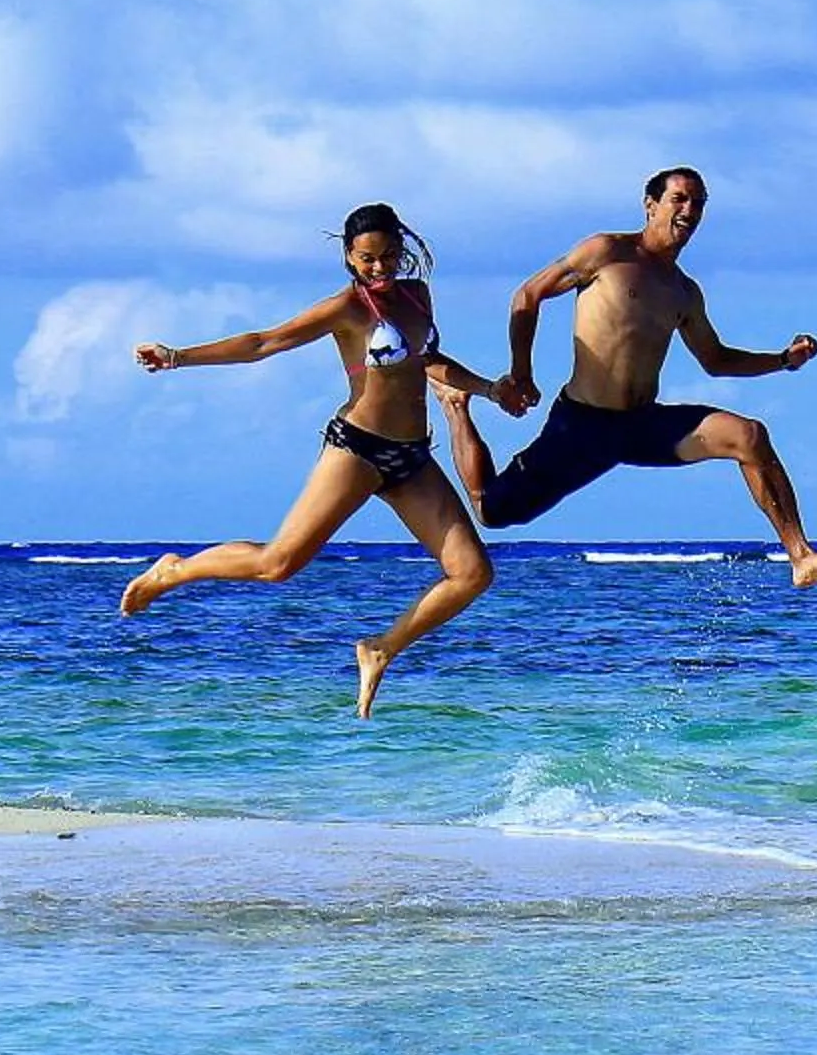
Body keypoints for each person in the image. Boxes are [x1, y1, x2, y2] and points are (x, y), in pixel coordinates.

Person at [124, 203, 520, 718]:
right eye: (368, 259)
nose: (379, 268)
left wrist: (490, 389)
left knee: (472, 574)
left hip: (411, 457)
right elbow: (264, 342)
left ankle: (380, 648)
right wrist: (178, 356)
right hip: (356, 447)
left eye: (389, 256)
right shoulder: (347, 309)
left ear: (403, 250)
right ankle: (175, 571)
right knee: (278, 564)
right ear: (351, 259)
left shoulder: (417, 297)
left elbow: (428, 361)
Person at [437, 167, 817, 588]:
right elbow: (528, 295)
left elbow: (715, 359)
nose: (690, 210)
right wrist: (521, 372)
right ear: (651, 205)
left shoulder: (684, 292)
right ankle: (456, 405)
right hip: (582, 424)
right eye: (680, 199)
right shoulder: (606, 252)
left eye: (699, 203)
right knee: (494, 511)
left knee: (749, 436)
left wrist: (783, 359)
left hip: (641, 425)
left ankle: (800, 557)